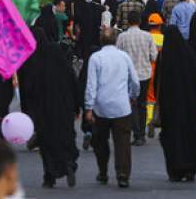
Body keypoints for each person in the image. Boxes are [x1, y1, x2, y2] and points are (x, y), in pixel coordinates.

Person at [18, 27, 81, 188]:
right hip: (63, 105)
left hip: (42, 108)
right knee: (66, 136)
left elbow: (27, 87)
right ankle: (68, 162)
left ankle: (49, 175)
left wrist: (27, 111)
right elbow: (71, 77)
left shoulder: (31, 58)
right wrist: (77, 104)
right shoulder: (56, 52)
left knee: (46, 143)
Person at [85, 27, 140, 188]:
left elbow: (91, 85)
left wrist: (89, 107)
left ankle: (103, 172)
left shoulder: (95, 58)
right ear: (116, 40)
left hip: (101, 107)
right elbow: (135, 81)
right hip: (122, 106)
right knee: (122, 143)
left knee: (101, 142)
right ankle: (123, 174)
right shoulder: (124, 57)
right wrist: (132, 96)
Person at [155, 25, 196, 182]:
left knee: (172, 138)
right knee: (190, 136)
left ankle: (175, 169)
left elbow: (158, 84)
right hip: (189, 104)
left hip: (170, 107)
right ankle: (190, 168)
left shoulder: (165, 58)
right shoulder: (189, 55)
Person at [116, 11, 158, 146]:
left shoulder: (122, 37)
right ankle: (142, 133)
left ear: (128, 22)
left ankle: (137, 133)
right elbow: (154, 56)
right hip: (145, 74)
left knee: (132, 103)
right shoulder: (147, 36)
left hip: (128, 75)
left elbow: (118, 55)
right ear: (140, 22)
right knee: (143, 104)